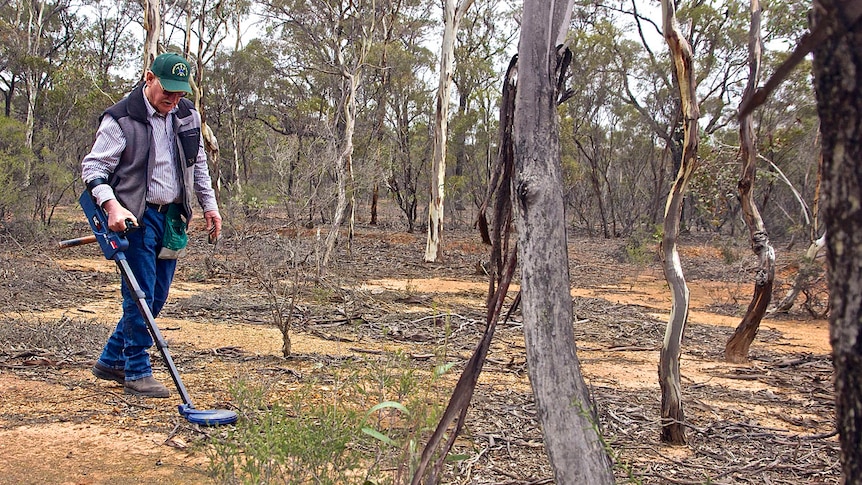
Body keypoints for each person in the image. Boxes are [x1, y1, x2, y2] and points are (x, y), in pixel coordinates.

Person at [81, 52, 222, 398]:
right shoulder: (120, 119)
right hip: (134, 219)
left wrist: (210, 206)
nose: (173, 100)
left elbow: (198, 165)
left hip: (173, 219)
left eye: (179, 93)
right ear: (149, 78)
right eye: (167, 92)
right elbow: (93, 170)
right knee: (139, 294)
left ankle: (110, 358)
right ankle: (136, 369)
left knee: (155, 298)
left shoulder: (188, 116)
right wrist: (111, 205)